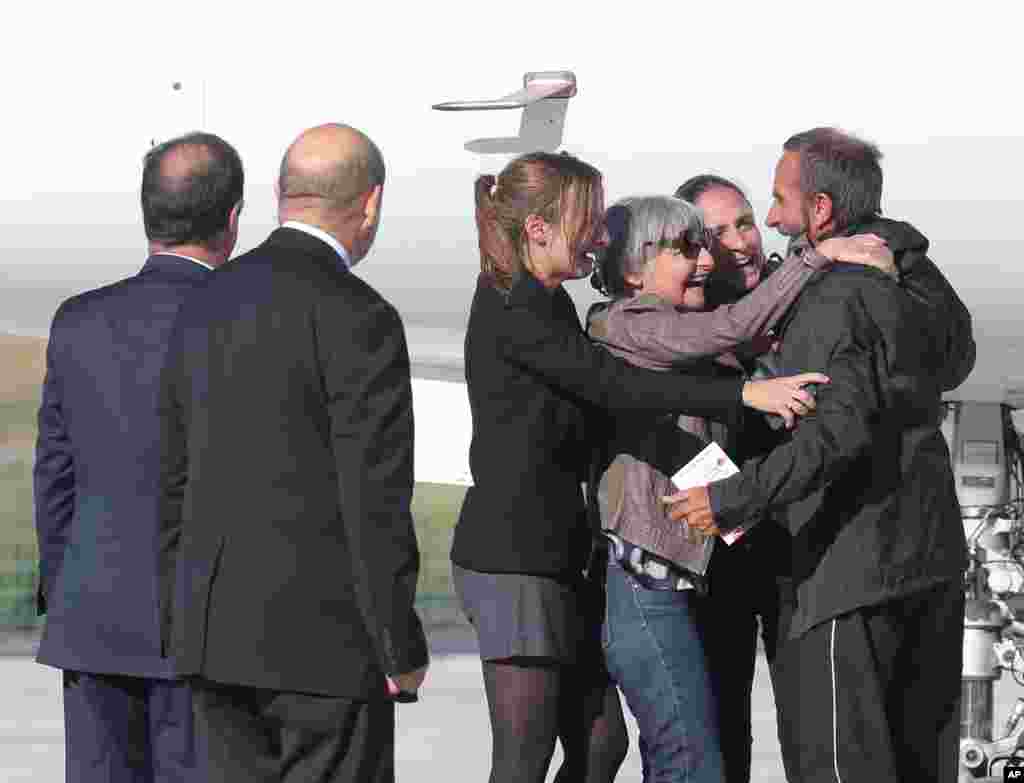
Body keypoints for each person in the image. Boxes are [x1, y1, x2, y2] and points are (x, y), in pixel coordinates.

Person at [450, 151, 829, 783]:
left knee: (602, 746)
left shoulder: (548, 305)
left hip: (564, 559)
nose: (601, 239)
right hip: (514, 558)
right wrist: (742, 392)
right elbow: (613, 386)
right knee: (522, 762)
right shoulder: (514, 307)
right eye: (591, 222)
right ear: (538, 229)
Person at [666, 127, 975, 783]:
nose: (767, 225)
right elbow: (956, 355)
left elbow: (838, 430)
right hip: (926, 565)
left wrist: (728, 498)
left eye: (771, 206)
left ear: (825, 212)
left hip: (845, 574)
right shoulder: (898, 278)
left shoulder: (831, 293)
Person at [585, 194, 894, 783]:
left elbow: (733, 349)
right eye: (685, 249)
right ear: (633, 268)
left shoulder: (673, 334)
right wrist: (818, 256)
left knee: (687, 759)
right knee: (693, 764)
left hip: (673, 582)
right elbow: (733, 327)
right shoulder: (631, 323)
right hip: (648, 588)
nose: (704, 260)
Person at [157, 123, 428, 783]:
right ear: (371, 205)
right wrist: (398, 642)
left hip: (214, 638)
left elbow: (172, 476)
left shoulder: (203, 302)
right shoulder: (361, 315)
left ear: (280, 193)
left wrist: (180, 620)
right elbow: (375, 498)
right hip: (326, 648)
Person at [33, 131, 243, 782]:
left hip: (91, 621)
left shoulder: (77, 321)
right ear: (231, 220)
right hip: (209, 638)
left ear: (147, 211)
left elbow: (55, 481)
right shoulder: (247, 321)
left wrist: (70, 586)